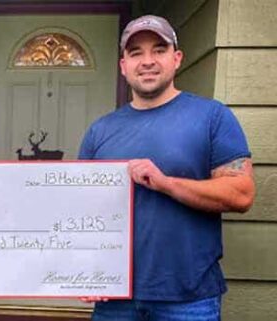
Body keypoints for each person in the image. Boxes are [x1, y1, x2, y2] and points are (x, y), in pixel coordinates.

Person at [78, 15, 255, 321]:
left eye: (159, 50)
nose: (147, 61)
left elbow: (241, 194)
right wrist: (85, 270)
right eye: (136, 53)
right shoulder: (100, 131)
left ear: (176, 59)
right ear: (123, 66)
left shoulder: (212, 117)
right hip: (115, 298)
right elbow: (82, 213)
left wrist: (165, 183)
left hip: (189, 299)